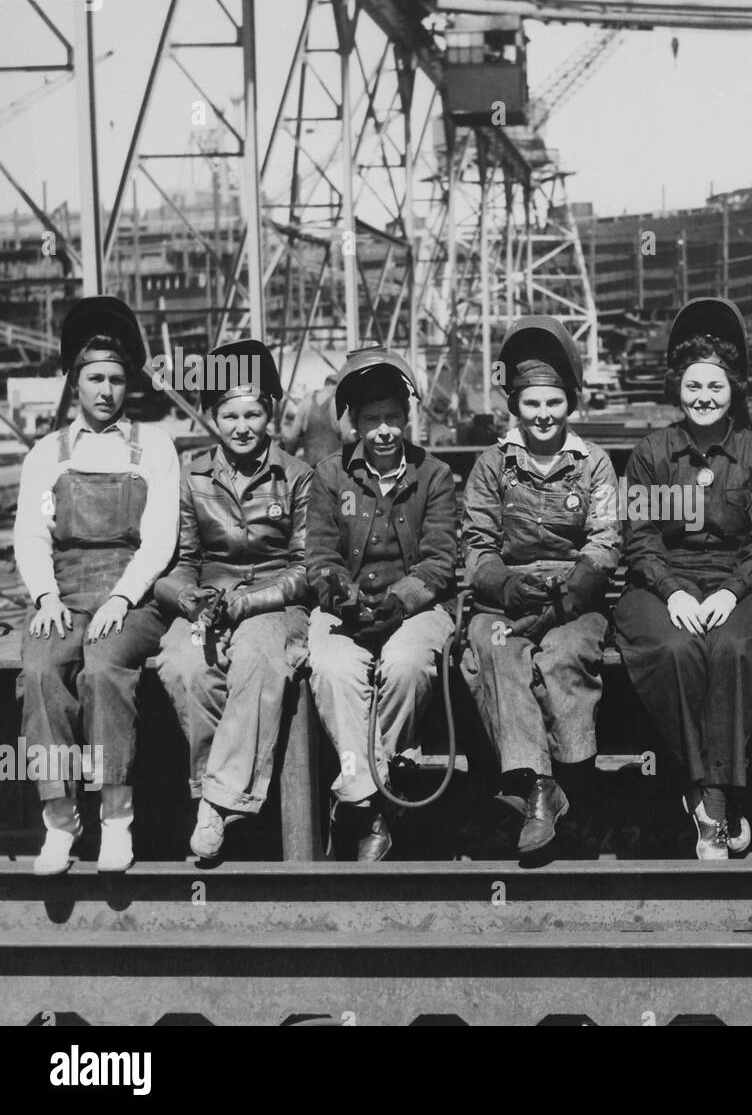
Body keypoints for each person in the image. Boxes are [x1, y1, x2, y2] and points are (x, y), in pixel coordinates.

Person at [14, 296, 180, 874]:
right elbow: (32, 534)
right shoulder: (47, 455)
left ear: (127, 382)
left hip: (131, 592)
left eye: (115, 378)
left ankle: (116, 817)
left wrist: (122, 597)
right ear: (75, 383)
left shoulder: (154, 446)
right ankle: (59, 820)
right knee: (38, 670)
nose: (106, 390)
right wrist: (45, 598)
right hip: (64, 591)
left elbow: (160, 540)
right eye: (94, 379)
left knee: (104, 668)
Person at [614, 297, 752, 859]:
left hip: (740, 583)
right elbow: (638, 537)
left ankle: (712, 797)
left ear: (732, 389)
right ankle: (713, 800)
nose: (703, 398)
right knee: (673, 649)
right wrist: (673, 591)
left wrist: (733, 592)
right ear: (677, 390)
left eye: (714, 387)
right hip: (664, 583)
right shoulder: (651, 453)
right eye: (692, 388)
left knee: (735, 648)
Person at [459, 317, 621, 855]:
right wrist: (505, 589)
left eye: (553, 402)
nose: (544, 415)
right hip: (509, 599)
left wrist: (568, 598)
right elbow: (477, 546)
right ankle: (538, 788)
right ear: (516, 407)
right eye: (532, 404)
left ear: (569, 403)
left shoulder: (593, 464)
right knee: (497, 650)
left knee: (563, 656)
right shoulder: (493, 466)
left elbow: (604, 541)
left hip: (575, 600)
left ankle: (576, 783)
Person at [153, 340, 313, 860]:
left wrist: (252, 603)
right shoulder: (192, 475)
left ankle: (217, 805)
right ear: (213, 417)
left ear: (270, 412)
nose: (242, 426)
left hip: (274, 602)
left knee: (254, 659)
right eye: (229, 414)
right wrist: (190, 599)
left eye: (253, 413)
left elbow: (306, 566)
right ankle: (218, 797)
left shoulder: (297, 476)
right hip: (212, 599)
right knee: (182, 665)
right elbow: (180, 563)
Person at [305, 347, 457, 861]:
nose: (384, 430)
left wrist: (400, 601)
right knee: (330, 668)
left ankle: (357, 793)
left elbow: (439, 562)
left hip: (415, 608)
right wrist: (338, 594)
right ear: (354, 424)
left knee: (408, 664)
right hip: (346, 611)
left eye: (393, 417)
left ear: (407, 417)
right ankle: (374, 804)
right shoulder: (329, 477)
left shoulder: (434, 476)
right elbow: (321, 557)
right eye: (372, 419)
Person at [282, 372, 347, 466]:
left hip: (310, 465)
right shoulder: (339, 402)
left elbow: (294, 436)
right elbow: (348, 436)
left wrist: (286, 463)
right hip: (334, 468)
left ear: (325, 384)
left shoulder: (308, 400)